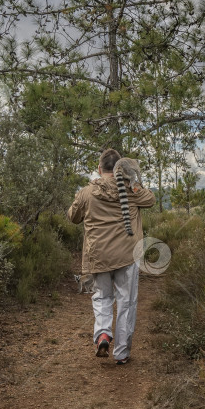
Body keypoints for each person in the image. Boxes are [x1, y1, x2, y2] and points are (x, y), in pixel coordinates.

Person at [66, 149, 156, 365]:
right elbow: (151, 199)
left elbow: (72, 217)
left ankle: (103, 335)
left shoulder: (87, 192)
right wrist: (133, 183)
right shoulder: (131, 191)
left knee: (102, 297)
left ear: (99, 169)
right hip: (127, 254)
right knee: (127, 302)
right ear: (121, 169)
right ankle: (122, 353)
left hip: (98, 255)